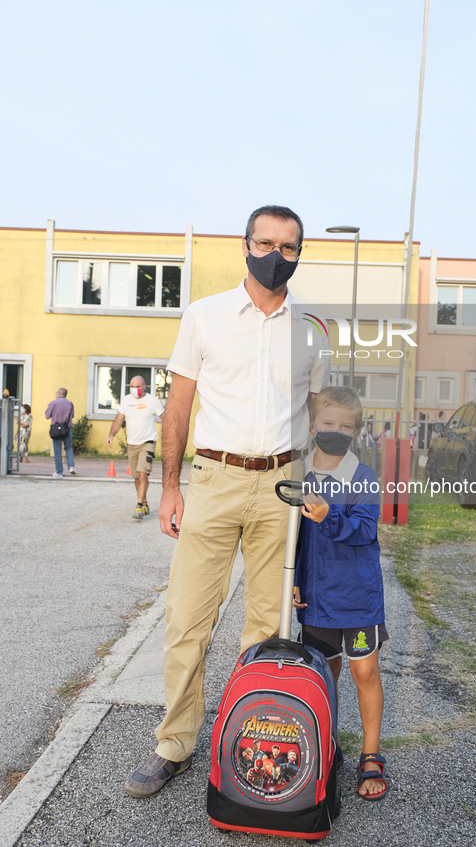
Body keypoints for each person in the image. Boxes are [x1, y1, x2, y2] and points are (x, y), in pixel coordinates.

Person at [125, 204, 329, 798]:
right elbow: (179, 408)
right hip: (214, 479)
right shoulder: (205, 316)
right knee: (188, 617)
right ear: (246, 246)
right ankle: (175, 743)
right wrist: (169, 487)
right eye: (265, 243)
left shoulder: (311, 331)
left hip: (281, 485)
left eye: (288, 248)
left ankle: (251, 737)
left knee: (266, 626)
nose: (275, 256)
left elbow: (319, 416)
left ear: (298, 254)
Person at [293, 385, 388, 800]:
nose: (336, 430)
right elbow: (291, 536)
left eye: (346, 426)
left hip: (356, 598)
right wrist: (294, 578)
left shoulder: (363, 477)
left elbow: (365, 530)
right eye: (328, 423)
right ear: (313, 424)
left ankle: (371, 753)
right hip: (316, 597)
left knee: (363, 672)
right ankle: (324, 745)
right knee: (321, 675)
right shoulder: (298, 474)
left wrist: (331, 515)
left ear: (356, 432)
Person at [106, 375, 164, 519]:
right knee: (137, 477)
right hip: (132, 444)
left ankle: (138, 506)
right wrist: (111, 434)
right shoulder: (126, 400)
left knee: (143, 473)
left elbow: (166, 418)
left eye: (137, 387)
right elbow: (119, 420)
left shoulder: (152, 401)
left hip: (148, 442)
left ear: (144, 387)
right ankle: (144, 502)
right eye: (132, 387)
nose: (134, 389)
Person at [45, 388, 76, 478]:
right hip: (67, 428)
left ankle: (59, 472)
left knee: (57, 451)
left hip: (56, 429)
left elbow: (47, 415)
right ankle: (71, 466)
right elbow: (72, 416)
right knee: (69, 448)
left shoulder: (53, 403)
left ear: (58, 393)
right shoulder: (70, 404)